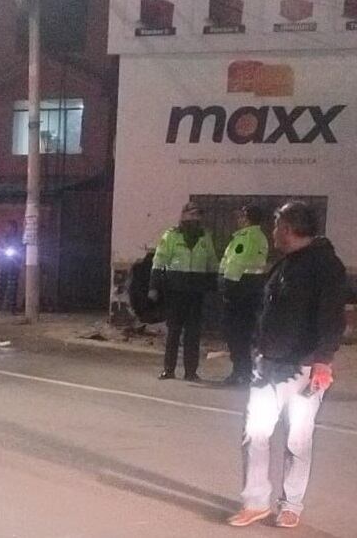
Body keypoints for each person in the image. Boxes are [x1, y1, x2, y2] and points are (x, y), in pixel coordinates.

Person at [228, 202, 347, 529]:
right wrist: (257, 350)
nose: (273, 232)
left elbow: (332, 318)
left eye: (277, 225)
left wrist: (323, 360)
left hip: (304, 369)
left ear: (289, 228)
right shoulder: (286, 264)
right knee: (255, 433)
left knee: (297, 440)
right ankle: (255, 502)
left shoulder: (326, 266)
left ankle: (291, 504)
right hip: (268, 366)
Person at [148, 202, 218, 381]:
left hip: (196, 291)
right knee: (173, 331)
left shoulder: (205, 237)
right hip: (175, 289)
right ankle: (169, 369)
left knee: (193, 333)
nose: (196, 218)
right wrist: (154, 287)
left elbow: (211, 262)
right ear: (184, 215)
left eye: (198, 215)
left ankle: (191, 372)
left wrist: (214, 286)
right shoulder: (171, 236)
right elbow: (159, 261)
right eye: (192, 214)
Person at [219, 205, 269, 386]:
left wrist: (226, 286)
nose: (238, 220)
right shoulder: (257, 236)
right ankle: (243, 371)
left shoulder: (248, 237)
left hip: (240, 290)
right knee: (242, 334)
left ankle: (242, 372)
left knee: (237, 334)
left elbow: (236, 264)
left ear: (247, 219)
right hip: (249, 290)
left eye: (241, 217)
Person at [0, 220, 21, 314]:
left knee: (12, 287)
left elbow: (20, 249)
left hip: (13, 266)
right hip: (3, 264)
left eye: (11, 227)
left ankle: (12, 309)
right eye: (7, 227)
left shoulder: (17, 238)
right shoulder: (4, 237)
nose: (8, 229)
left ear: (14, 228)